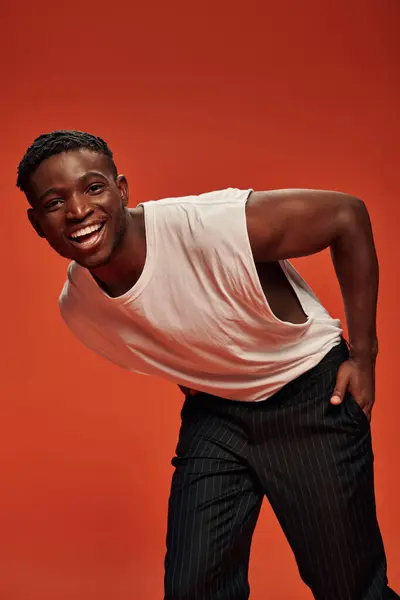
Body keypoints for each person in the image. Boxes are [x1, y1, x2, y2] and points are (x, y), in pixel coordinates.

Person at [17, 130, 398, 600]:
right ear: (37, 222)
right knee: (193, 589)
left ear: (122, 190)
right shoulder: (80, 307)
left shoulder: (209, 225)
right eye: (55, 202)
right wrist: (202, 373)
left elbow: (347, 215)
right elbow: (168, 330)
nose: (77, 211)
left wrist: (363, 355)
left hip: (311, 392)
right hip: (218, 414)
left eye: (93, 188)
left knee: (348, 588)